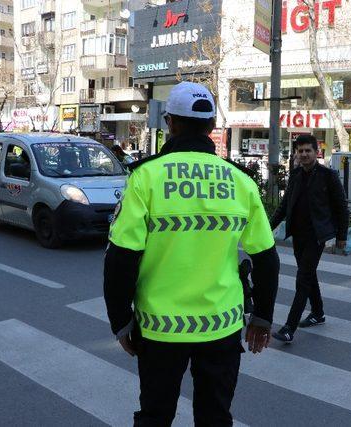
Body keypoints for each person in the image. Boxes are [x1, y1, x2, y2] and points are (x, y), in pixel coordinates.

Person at [103, 82, 280, 426]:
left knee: (155, 416)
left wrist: (120, 321)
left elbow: (120, 257)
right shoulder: (240, 181)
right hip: (222, 326)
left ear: (170, 123)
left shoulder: (146, 177)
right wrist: (263, 316)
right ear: (212, 126)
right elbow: (266, 258)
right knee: (215, 417)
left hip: (159, 329)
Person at [270, 135, 348, 343]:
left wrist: (342, 236)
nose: (304, 154)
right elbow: (285, 206)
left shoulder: (328, 176)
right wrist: (268, 227)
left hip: (317, 236)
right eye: (300, 151)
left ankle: (289, 327)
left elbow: (341, 208)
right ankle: (318, 313)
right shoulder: (295, 174)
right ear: (296, 153)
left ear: (317, 152)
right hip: (298, 234)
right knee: (308, 274)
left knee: (302, 279)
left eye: (308, 151)